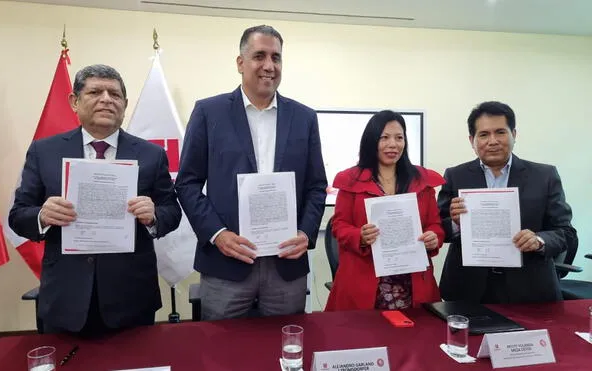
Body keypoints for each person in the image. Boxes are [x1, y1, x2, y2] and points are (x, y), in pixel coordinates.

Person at [9, 64, 182, 336]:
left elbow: (172, 211)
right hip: (65, 295)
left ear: (125, 104)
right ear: (74, 102)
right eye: (95, 92)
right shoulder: (44, 151)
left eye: (114, 94)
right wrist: (42, 216)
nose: (106, 99)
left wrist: (155, 215)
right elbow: (18, 216)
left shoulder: (151, 154)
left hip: (131, 295)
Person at [175, 25, 327, 320]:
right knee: (221, 355)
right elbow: (188, 183)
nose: (269, 66)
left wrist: (306, 233)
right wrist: (218, 235)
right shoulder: (209, 112)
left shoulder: (304, 117)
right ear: (240, 62)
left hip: (286, 265)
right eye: (259, 56)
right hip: (226, 262)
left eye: (276, 57)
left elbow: (317, 186)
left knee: (286, 349)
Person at [438, 101, 577, 303]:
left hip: (530, 288)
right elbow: (439, 229)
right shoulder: (456, 176)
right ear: (472, 140)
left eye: (500, 132)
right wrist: (455, 223)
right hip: (468, 287)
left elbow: (566, 233)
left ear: (514, 134)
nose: (492, 141)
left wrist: (539, 241)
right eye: (484, 134)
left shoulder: (544, 176)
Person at [324, 110, 445, 311]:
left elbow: (434, 224)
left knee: (415, 339)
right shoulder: (351, 179)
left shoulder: (421, 180)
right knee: (364, 337)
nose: (393, 144)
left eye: (399, 138)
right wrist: (359, 236)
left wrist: (434, 237)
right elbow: (339, 225)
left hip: (411, 281)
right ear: (372, 141)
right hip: (364, 281)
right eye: (384, 138)